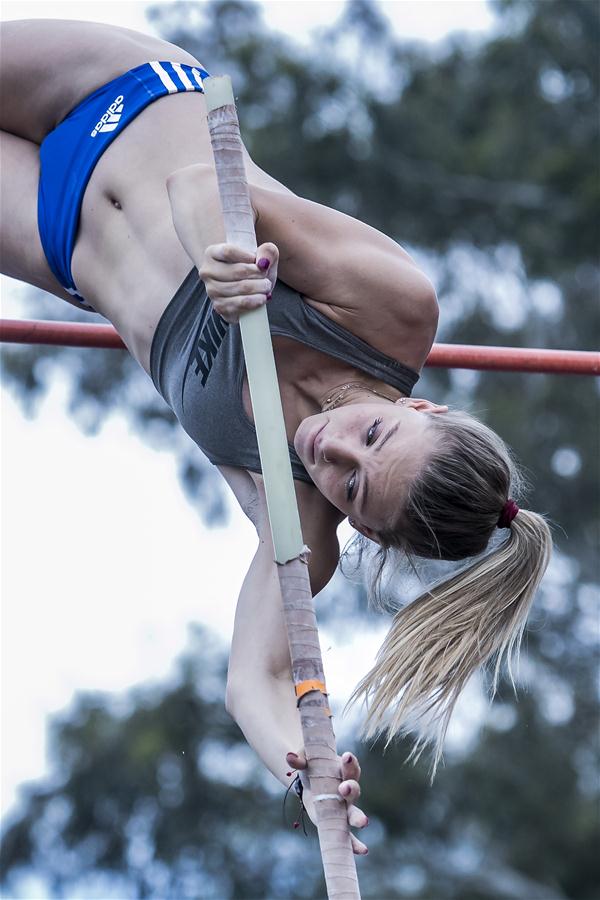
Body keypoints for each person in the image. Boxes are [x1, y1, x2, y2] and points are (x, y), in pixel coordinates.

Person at [0, 19, 552, 851]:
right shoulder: (392, 311)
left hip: (58, 237)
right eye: (372, 432)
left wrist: (302, 770)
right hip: (118, 97)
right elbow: (200, 184)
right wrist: (217, 259)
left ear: (360, 527)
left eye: (352, 486)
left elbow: (253, 680)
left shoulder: (297, 533)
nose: (332, 448)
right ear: (424, 408)